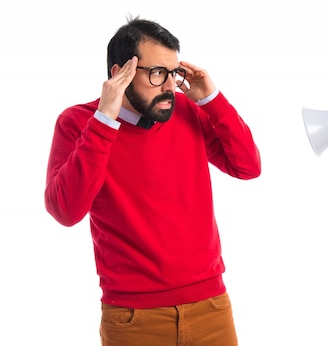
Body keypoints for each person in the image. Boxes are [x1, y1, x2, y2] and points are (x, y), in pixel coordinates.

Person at [44, 17, 261, 345]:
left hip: (211, 307)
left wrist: (211, 99)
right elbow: (66, 211)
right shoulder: (78, 123)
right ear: (120, 73)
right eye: (158, 73)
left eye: (174, 74)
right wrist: (104, 120)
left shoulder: (188, 112)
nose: (170, 87)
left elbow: (247, 166)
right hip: (132, 318)